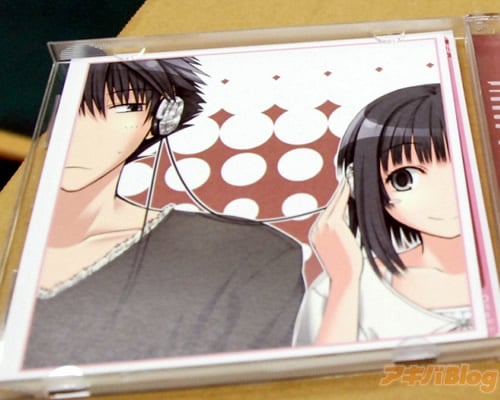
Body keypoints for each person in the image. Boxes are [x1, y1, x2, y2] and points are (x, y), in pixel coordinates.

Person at [24, 57, 304, 368]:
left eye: (124, 107)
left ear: (165, 116)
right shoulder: (16, 235)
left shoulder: (246, 254)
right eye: (73, 110)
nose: (84, 133)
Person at [293, 84, 472, 346]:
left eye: (466, 165)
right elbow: (322, 368)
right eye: (404, 178)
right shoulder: (346, 282)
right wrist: (344, 281)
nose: (444, 194)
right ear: (360, 185)